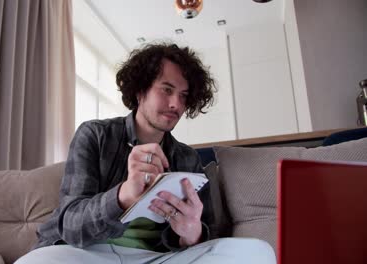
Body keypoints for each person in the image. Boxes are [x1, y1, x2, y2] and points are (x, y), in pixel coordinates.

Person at [16, 43, 275, 264]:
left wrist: (192, 233)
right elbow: (70, 225)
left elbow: (204, 233)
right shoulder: (95, 135)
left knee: (258, 252)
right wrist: (123, 195)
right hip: (87, 254)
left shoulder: (187, 158)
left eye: (184, 96)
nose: (176, 104)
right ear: (140, 90)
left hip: (155, 258)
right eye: (166, 90)